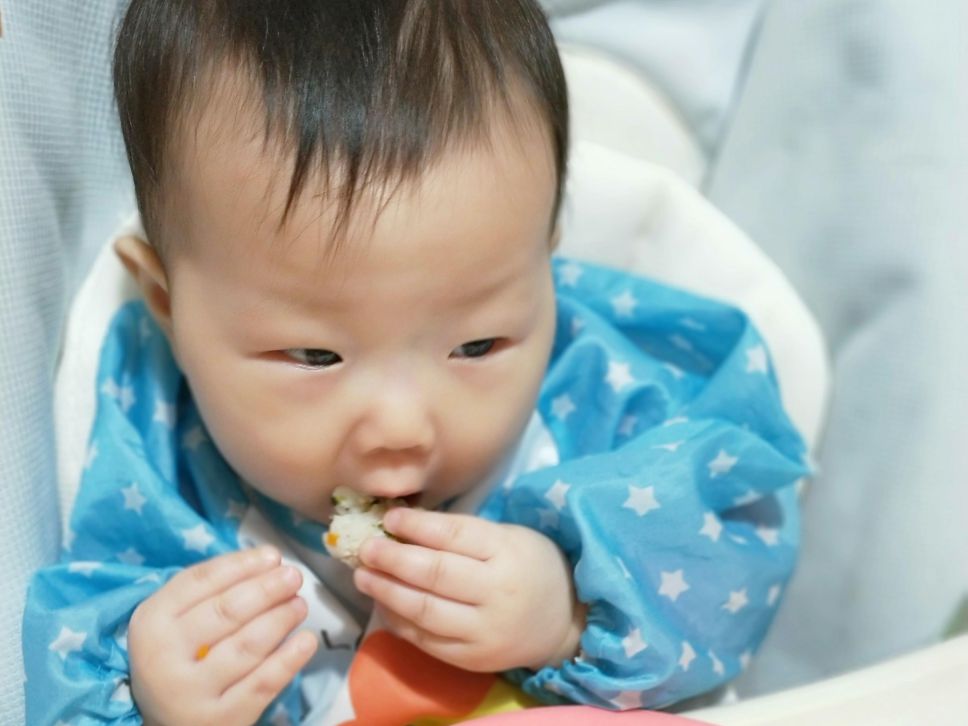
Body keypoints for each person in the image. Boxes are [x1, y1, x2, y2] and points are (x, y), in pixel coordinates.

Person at [23, 1, 808, 723]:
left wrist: (570, 613)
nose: (402, 426)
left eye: (477, 346)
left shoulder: (601, 385)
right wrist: (150, 696)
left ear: (544, 263)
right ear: (168, 304)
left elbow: (740, 548)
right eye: (314, 354)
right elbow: (72, 639)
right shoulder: (158, 450)